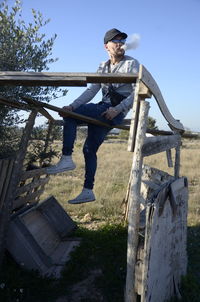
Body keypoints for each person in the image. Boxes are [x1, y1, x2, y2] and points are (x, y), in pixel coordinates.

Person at [46, 28, 139, 204]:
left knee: (69, 116)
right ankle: (88, 190)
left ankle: (66, 157)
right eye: (116, 41)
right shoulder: (102, 66)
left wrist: (117, 109)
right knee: (89, 149)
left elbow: (137, 93)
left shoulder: (131, 63)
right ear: (106, 46)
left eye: (122, 41)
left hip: (113, 112)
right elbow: (92, 90)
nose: (120, 44)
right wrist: (72, 105)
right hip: (103, 109)